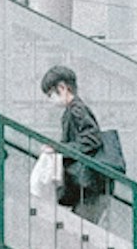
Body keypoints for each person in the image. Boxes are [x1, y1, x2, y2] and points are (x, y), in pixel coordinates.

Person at [39, 66, 115, 217]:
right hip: (89, 186)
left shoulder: (76, 109)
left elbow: (92, 138)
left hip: (90, 187)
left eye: (50, 94)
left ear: (62, 87)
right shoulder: (75, 109)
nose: (50, 100)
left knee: (81, 233)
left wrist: (58, 149)